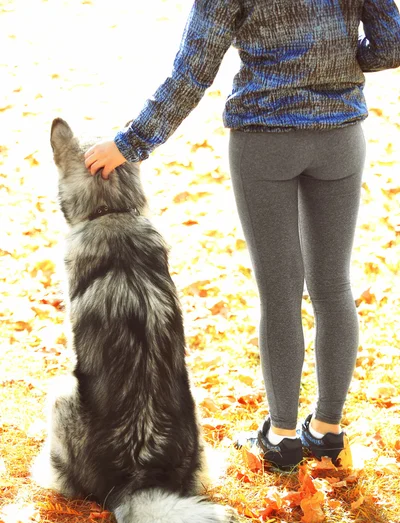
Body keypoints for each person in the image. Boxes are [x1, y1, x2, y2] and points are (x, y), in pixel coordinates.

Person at [84, 0, 400, 470]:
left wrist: (130, 143)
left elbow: (192, 73)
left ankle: (283, 436)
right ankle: (328, 430)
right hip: (340, 137)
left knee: (280, 292)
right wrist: (340, 59)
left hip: (264, 140)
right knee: (333, 286)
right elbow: (391, 45)